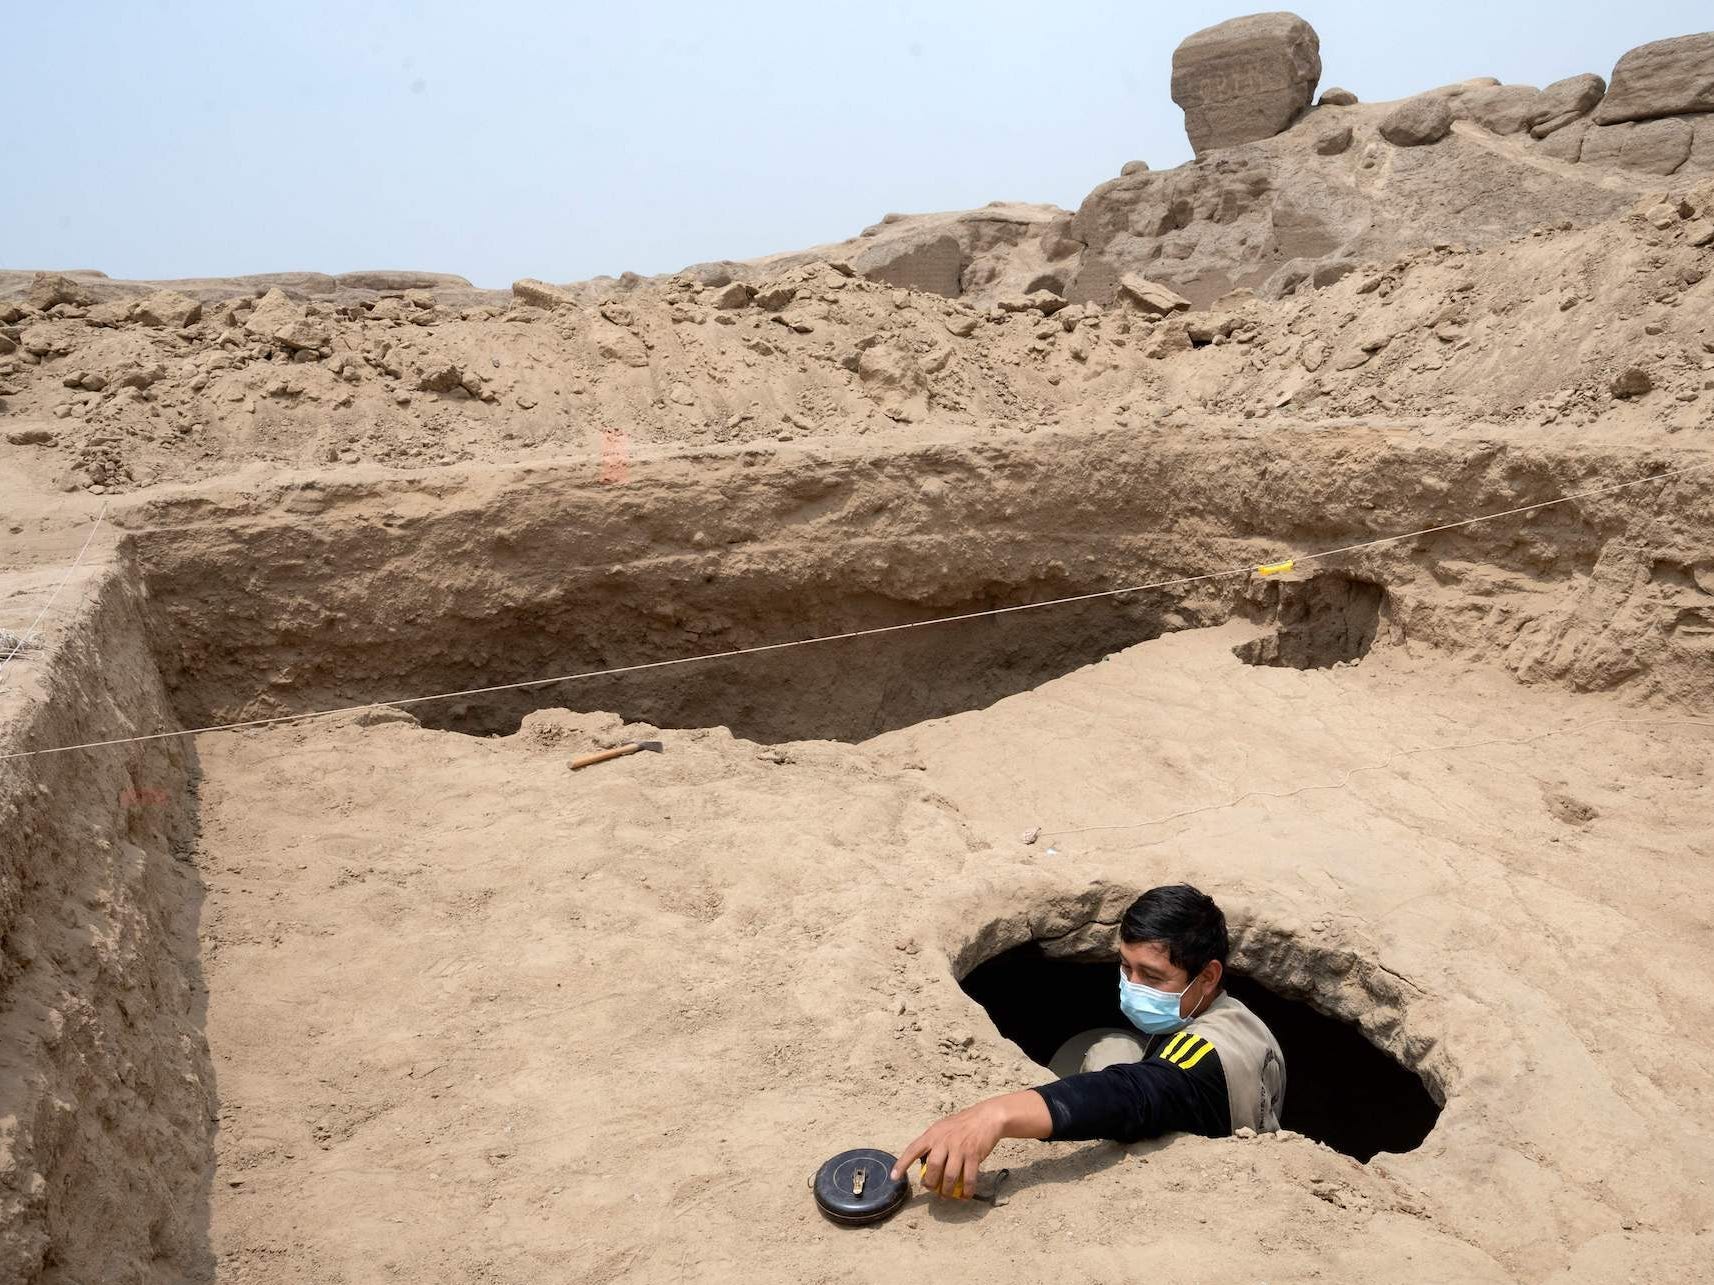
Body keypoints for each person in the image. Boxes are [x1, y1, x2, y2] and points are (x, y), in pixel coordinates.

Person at [891, 883, 1286, 1199]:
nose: (1131, 985)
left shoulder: (1200, 1061)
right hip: (1233, 1109)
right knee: (1117, 1045)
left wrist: (995, 1115)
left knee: (1106, 1053)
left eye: (1152, 976)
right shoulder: (1243, 1021)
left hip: (1206, 1174)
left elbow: (1128, 1094)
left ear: (1208, 976)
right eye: (1125, 966)